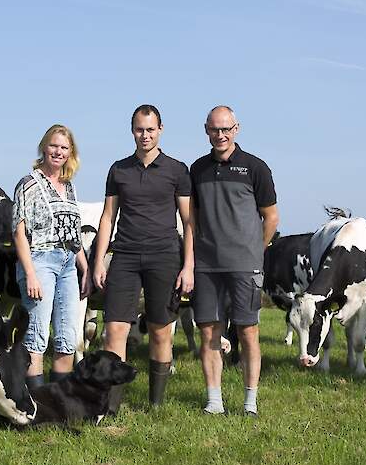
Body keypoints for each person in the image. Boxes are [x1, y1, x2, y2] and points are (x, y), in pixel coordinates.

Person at [93, 104, 193, 408]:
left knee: (161, 332)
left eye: (150, 129)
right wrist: (99, 260)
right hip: (125, 255)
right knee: (114, 330)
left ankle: (156, 405)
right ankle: (111, 406)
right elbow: (108, 217)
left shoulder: (177, 170)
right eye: (140, 129)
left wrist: (188, 266)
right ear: (132, 131)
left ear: (160, 130)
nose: (145, 135)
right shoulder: (118, 169)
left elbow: (189, 222)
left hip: (164, 256)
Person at [190, 105, 279, 416]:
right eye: (215, 129)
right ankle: (214, 402)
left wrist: (256, 250)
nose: (220, 135)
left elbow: (271, 217)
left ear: (236, 129)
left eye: (226, 129)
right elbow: (193, 217)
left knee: (247, 331)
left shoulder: (256, 167)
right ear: (206, 130)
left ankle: (250, 402)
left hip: (245, 265)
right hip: (207, 265)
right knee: (209, 333)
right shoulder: (197, 169)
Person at [12, 124, 90, 390]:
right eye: (54, 145)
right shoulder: (28, 184)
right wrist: (31, 274)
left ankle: (60, 403)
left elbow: (73, 235)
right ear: (44, 148)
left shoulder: (69, 187)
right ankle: (35, 403)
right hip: (40, 261)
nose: (58, 152)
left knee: (67, 337)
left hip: (68, 264)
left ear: (71, 153)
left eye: (64, 147)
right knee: (37, 336)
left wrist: (84, 268)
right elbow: (19, 233)